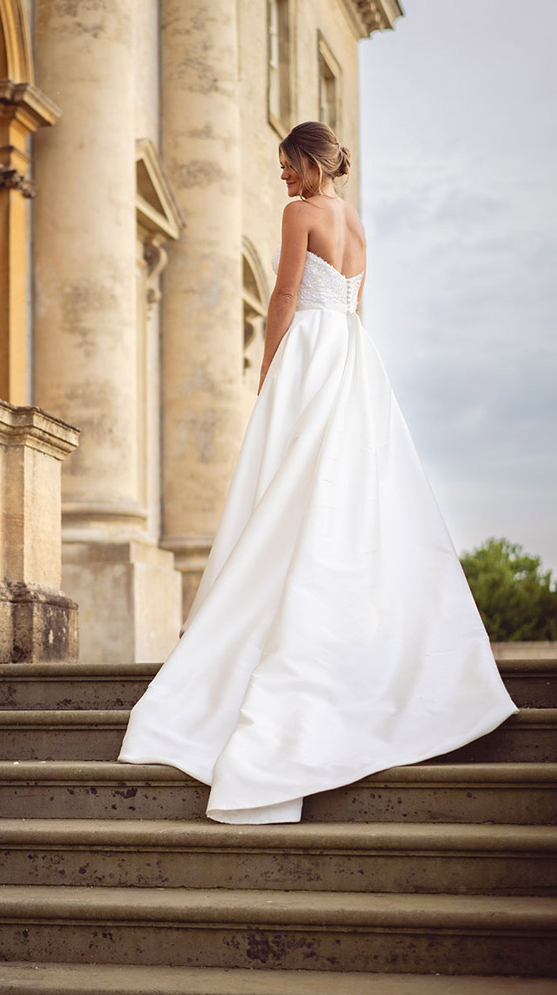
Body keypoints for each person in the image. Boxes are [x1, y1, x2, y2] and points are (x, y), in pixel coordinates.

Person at [118, 121, 518, 825]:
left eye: (285, 165)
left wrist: (270, 366)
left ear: (307, 162)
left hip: (309, 353)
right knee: (347, 495)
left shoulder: (300, 214)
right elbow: (355, 303)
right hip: (353, 358)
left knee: (287, 491)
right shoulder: (356, 220)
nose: (281, 178)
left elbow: (283, 294)